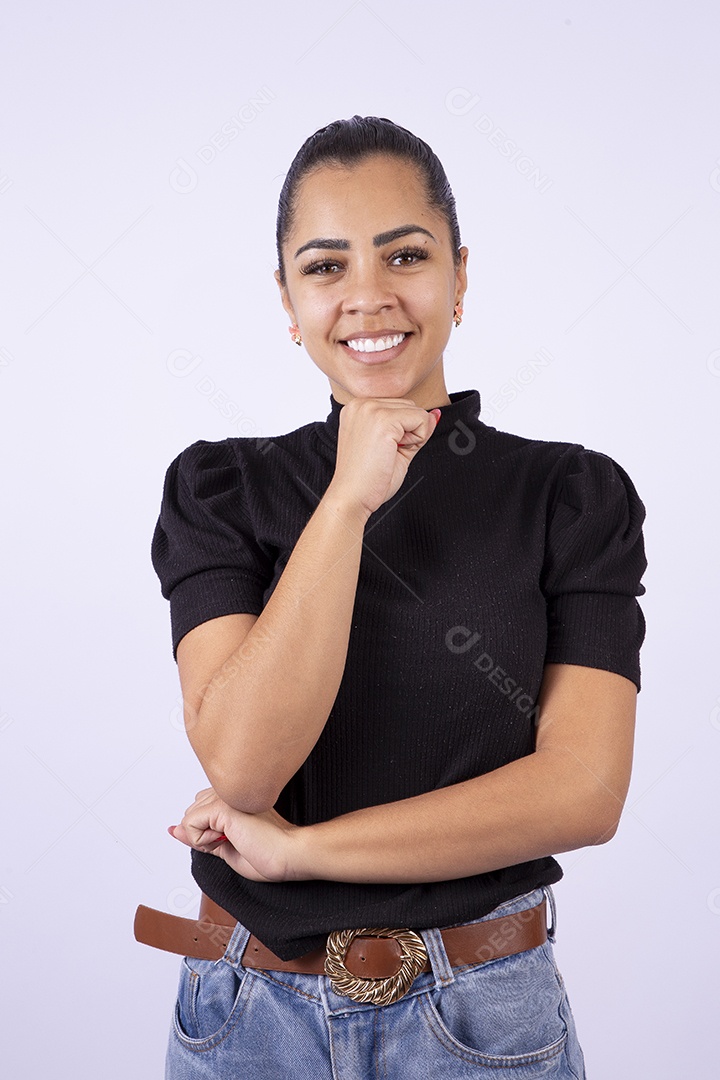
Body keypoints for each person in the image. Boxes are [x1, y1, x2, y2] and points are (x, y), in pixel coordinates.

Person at [138, 115, 647, 1078]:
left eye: (405, 254)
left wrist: (304, 853)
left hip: (482, 1020)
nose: (369, 296)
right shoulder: (220, 490)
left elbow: (583, 789)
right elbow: (244, 767)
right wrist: (349, 496)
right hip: (245, 1020)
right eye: (325, 267)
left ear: (460, 275)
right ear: (287, 300)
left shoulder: (572, 498)